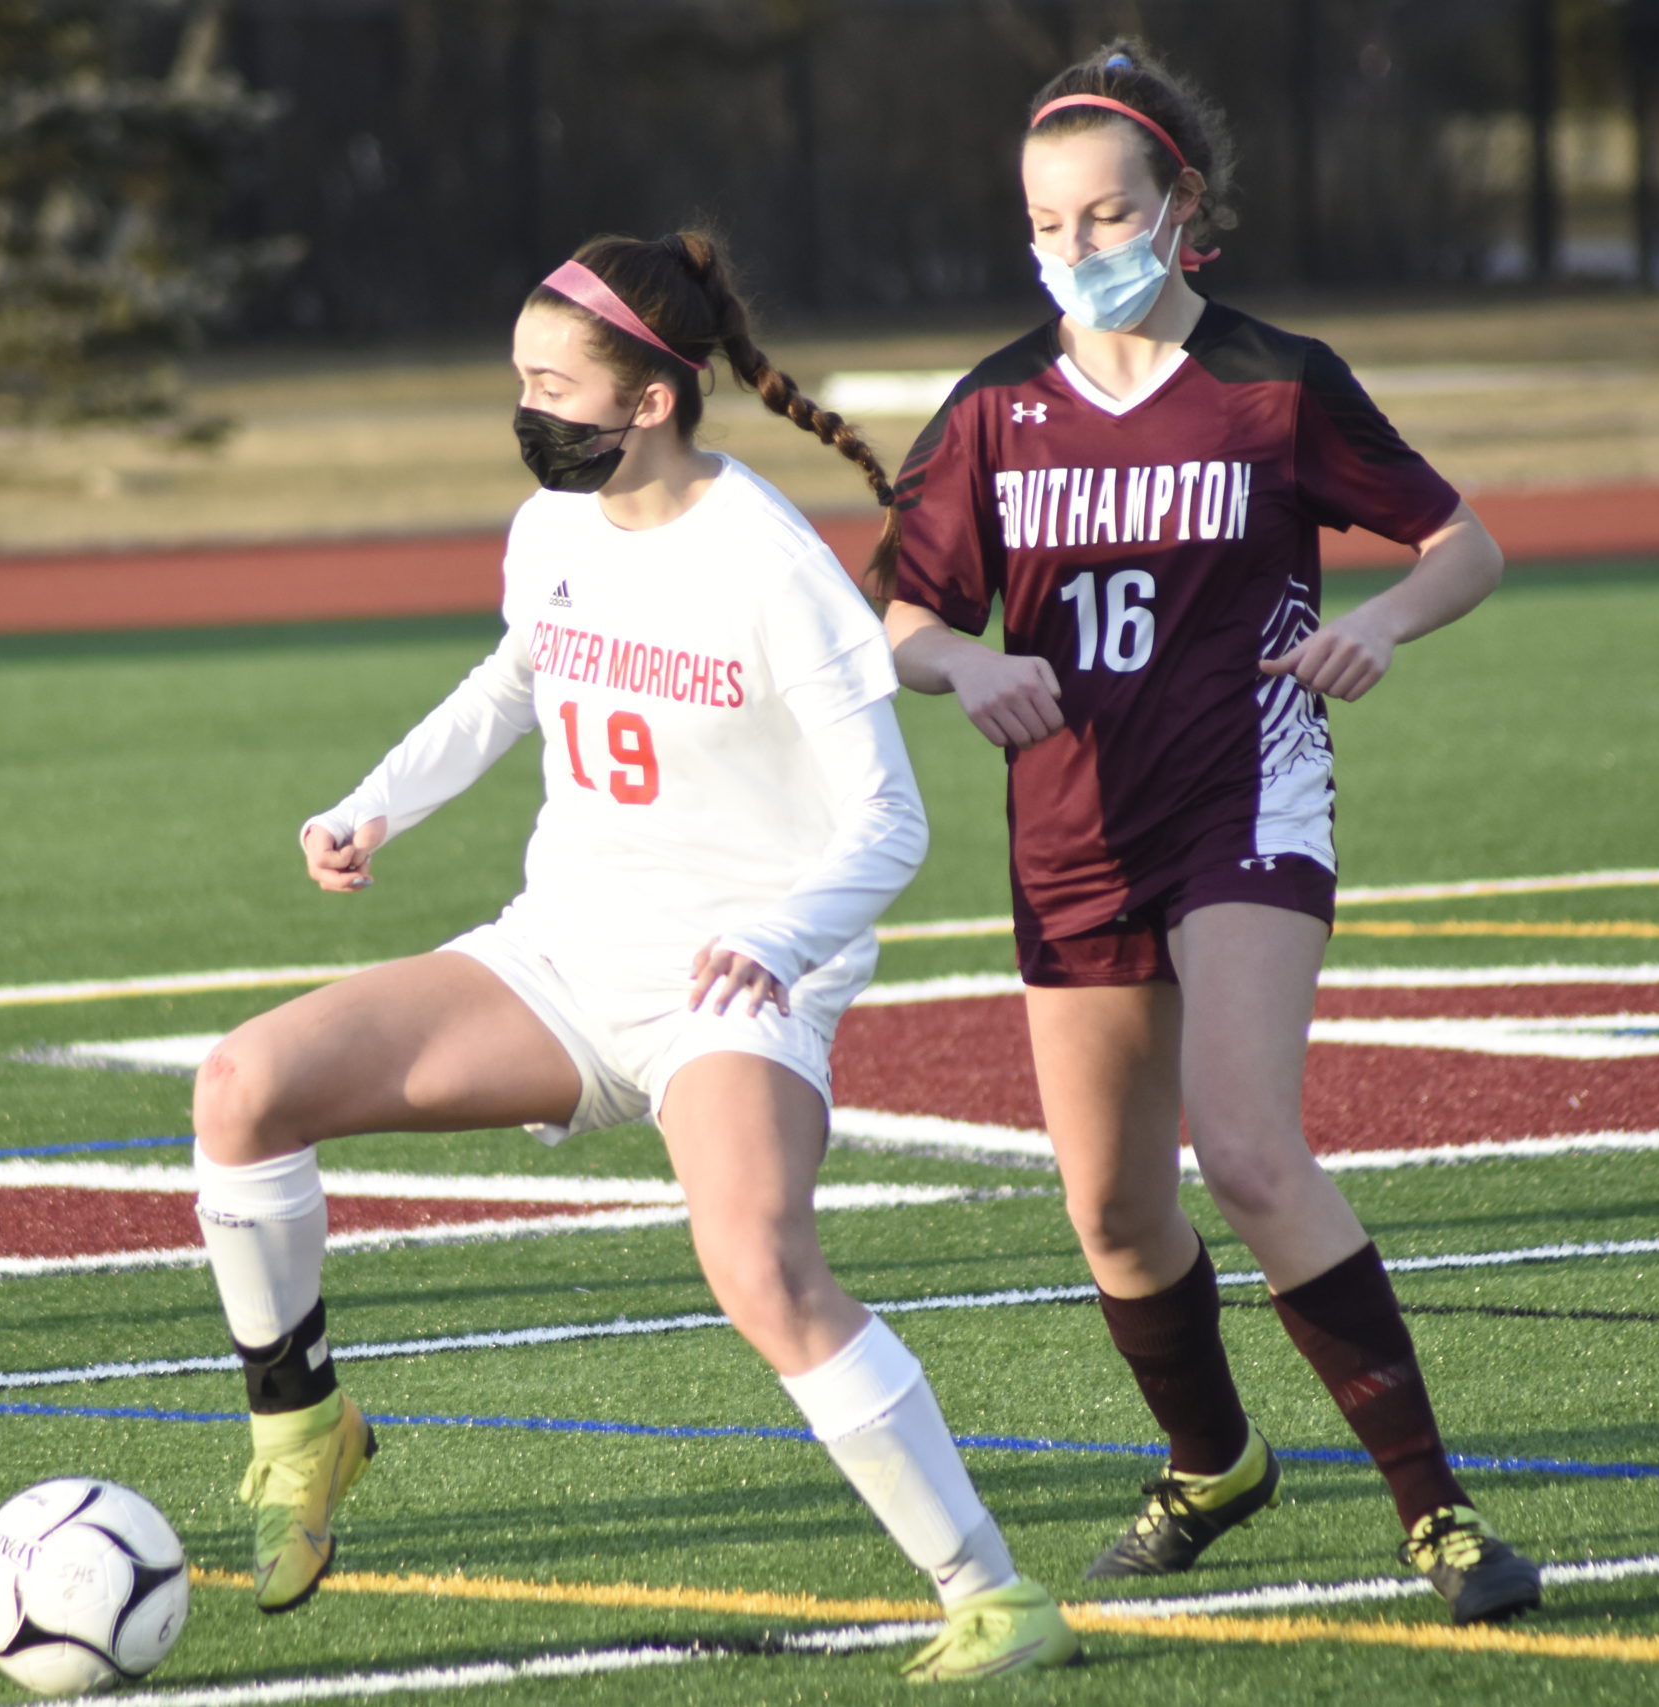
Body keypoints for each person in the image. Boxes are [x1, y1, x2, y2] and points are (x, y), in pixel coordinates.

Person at [190, 231, 1077, 1680]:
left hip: (731, 988)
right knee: (243, 1086)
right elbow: (510, 681)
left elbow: (892, 826)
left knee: (757, 1262)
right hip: (556, 959)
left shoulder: (769, 560)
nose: (528, 404)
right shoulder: (553, 528)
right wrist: (372, 804)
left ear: (651, 399)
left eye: (554, 380)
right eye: (521, 377)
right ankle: (304, 1433)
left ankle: (990, 1592)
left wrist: (776, 943)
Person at [877, 42, 1543, 1625]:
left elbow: (1466, 541)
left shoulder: (1271, 381)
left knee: (1244, 1146)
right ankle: (1214, 1461)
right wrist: (966, 660)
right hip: (1070, 824)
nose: (1078, 245)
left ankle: (1438, 1518)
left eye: (1110, 212)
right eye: (1049, 222)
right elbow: (899, 617)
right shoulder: (990, 411)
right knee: (1111, 1210)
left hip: (1247, 792)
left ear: (1184, 208)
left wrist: (1379, 622)